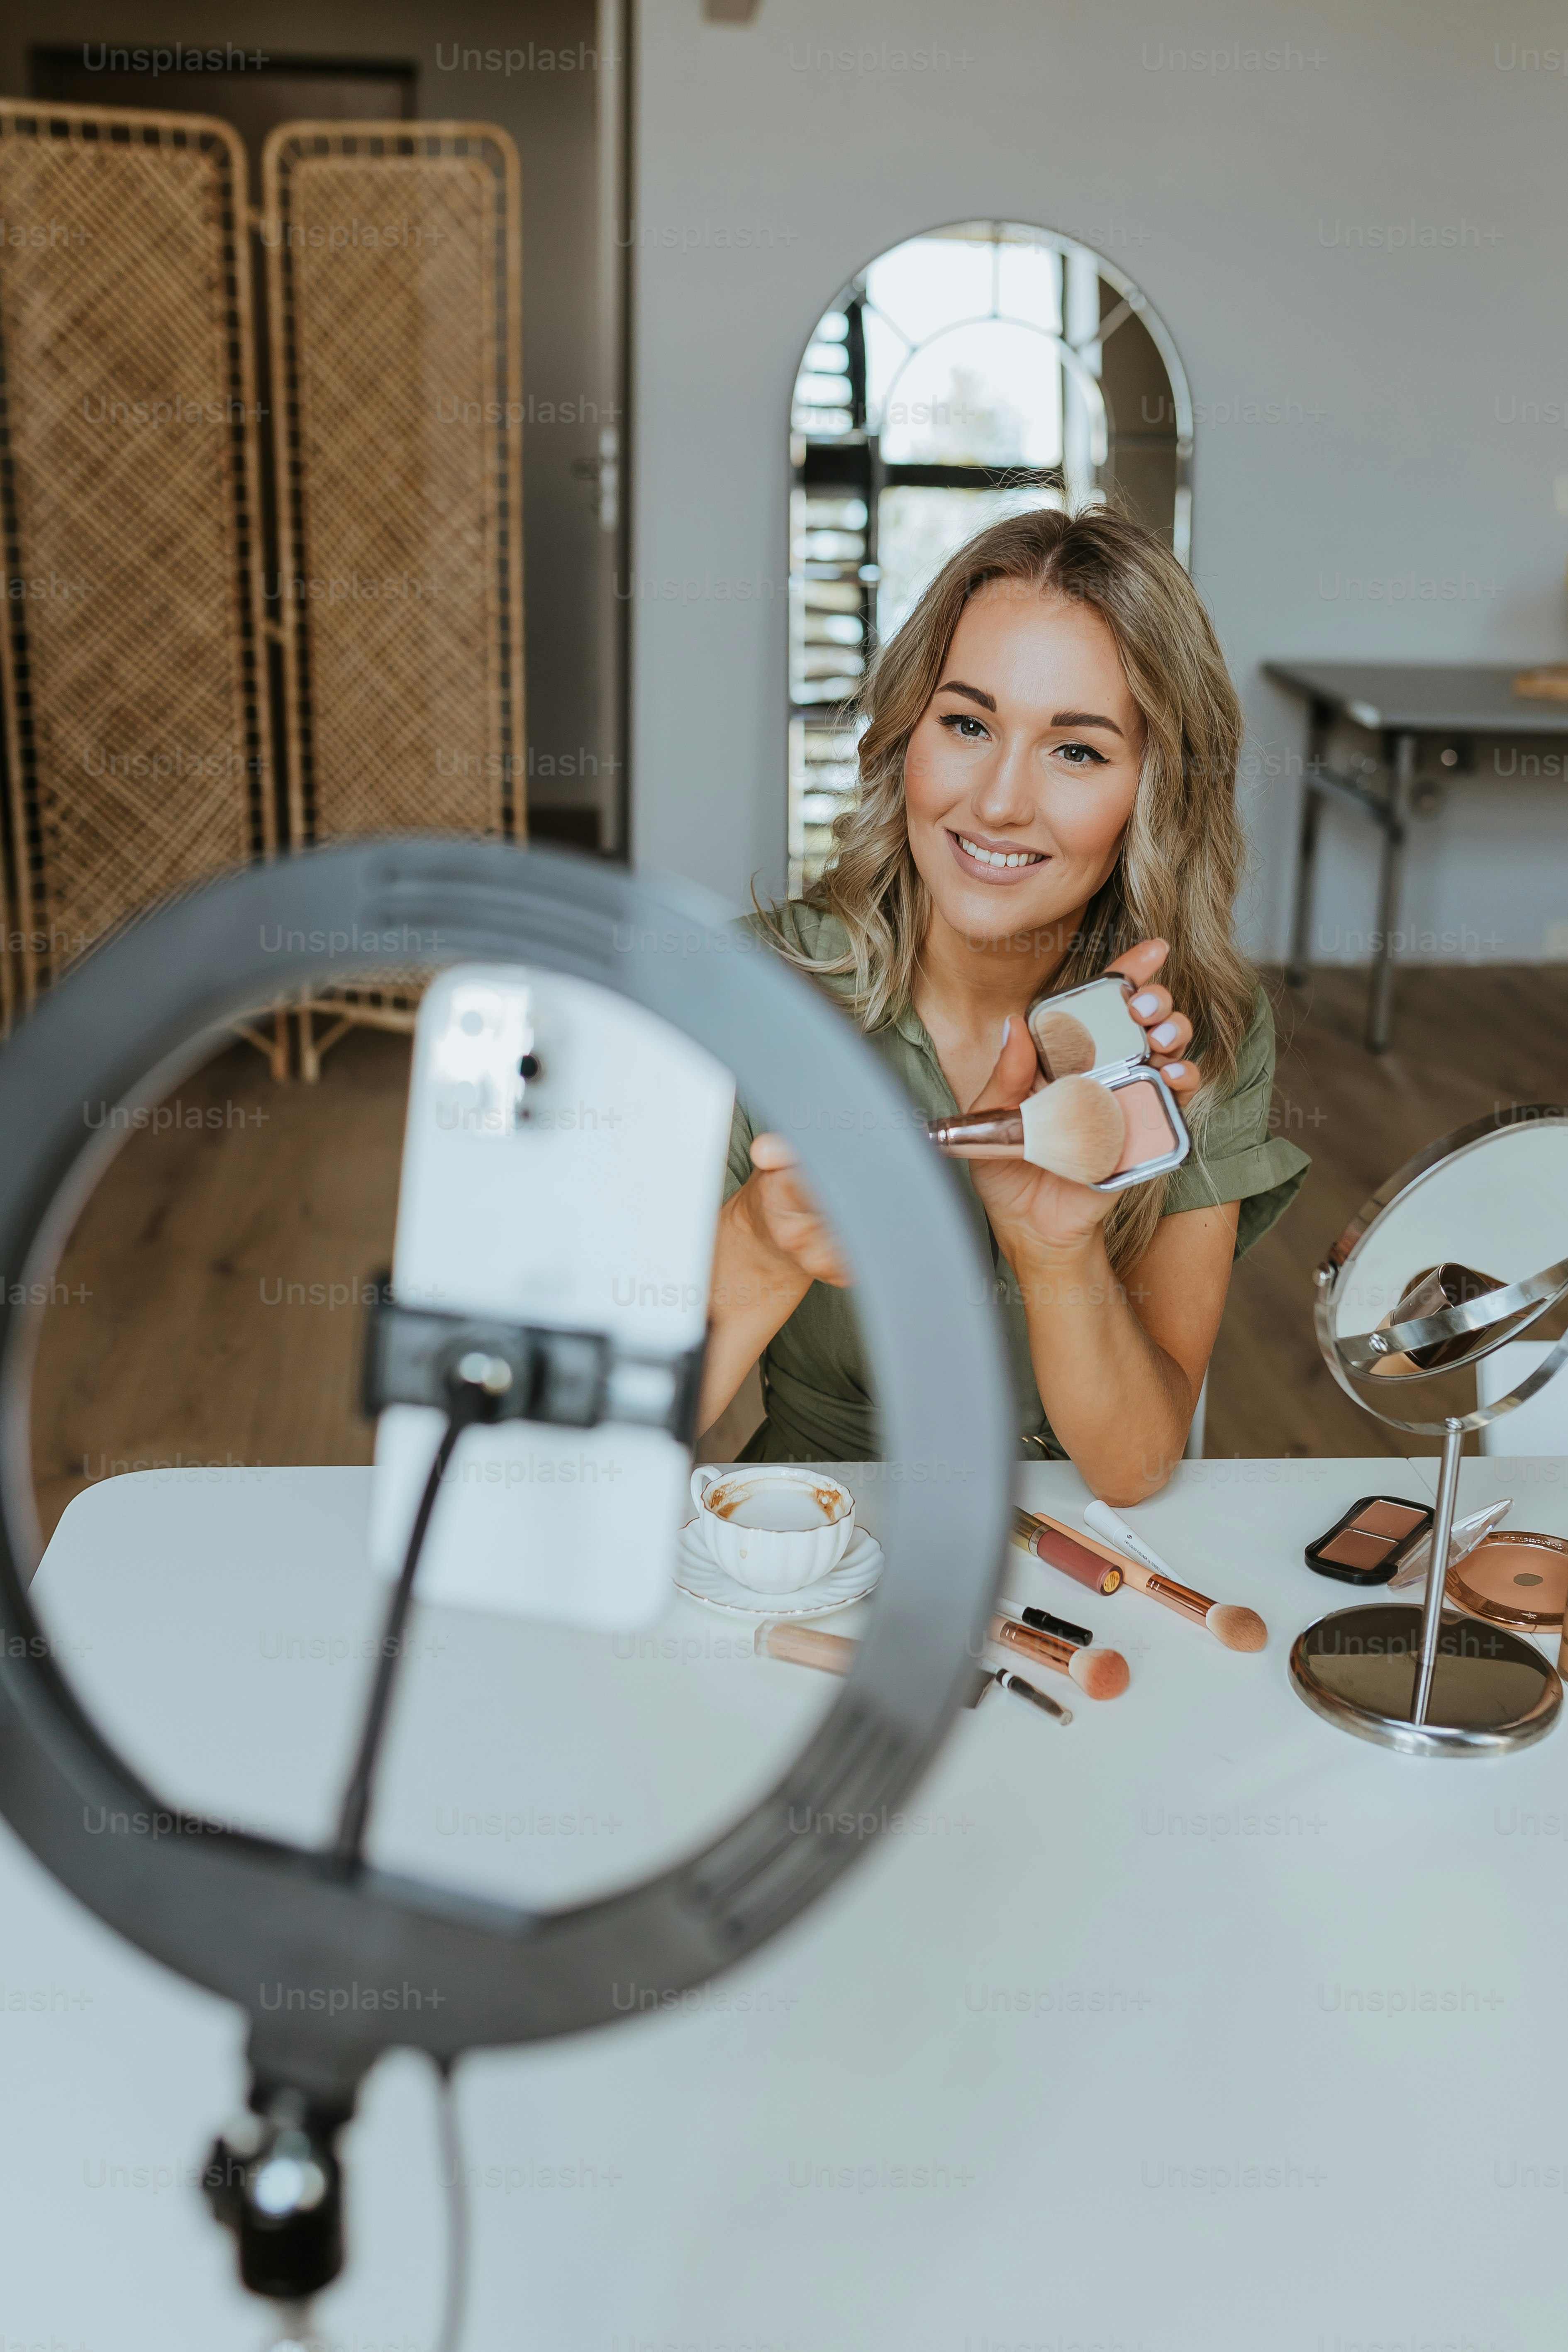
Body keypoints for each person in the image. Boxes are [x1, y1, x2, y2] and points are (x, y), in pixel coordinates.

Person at [695, 505, 1309, 1503]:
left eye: (1077, 751)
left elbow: (1138, 1464)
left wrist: (1055, 1249)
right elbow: (597, 1446)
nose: (997, 804)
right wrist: (763, 1247)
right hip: (815, 1530)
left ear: (1156, 792)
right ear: (909, 732)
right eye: (968, 725)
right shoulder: (750, 992)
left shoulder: (1190, 1038)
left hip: (1079, 1550)